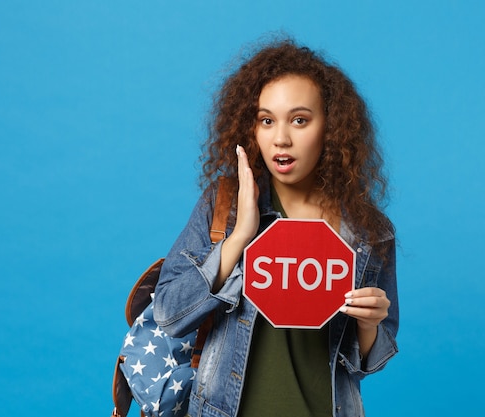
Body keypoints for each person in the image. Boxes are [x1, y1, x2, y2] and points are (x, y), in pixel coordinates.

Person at [153, 37, 398, 417]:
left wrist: (370, 325)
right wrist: (238, 239)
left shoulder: (367, 232)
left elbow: (370, 362)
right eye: (267, 120)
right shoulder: (225, 208)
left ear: (329, 128)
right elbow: (169, 314)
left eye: (299, 120)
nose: (281, 138)